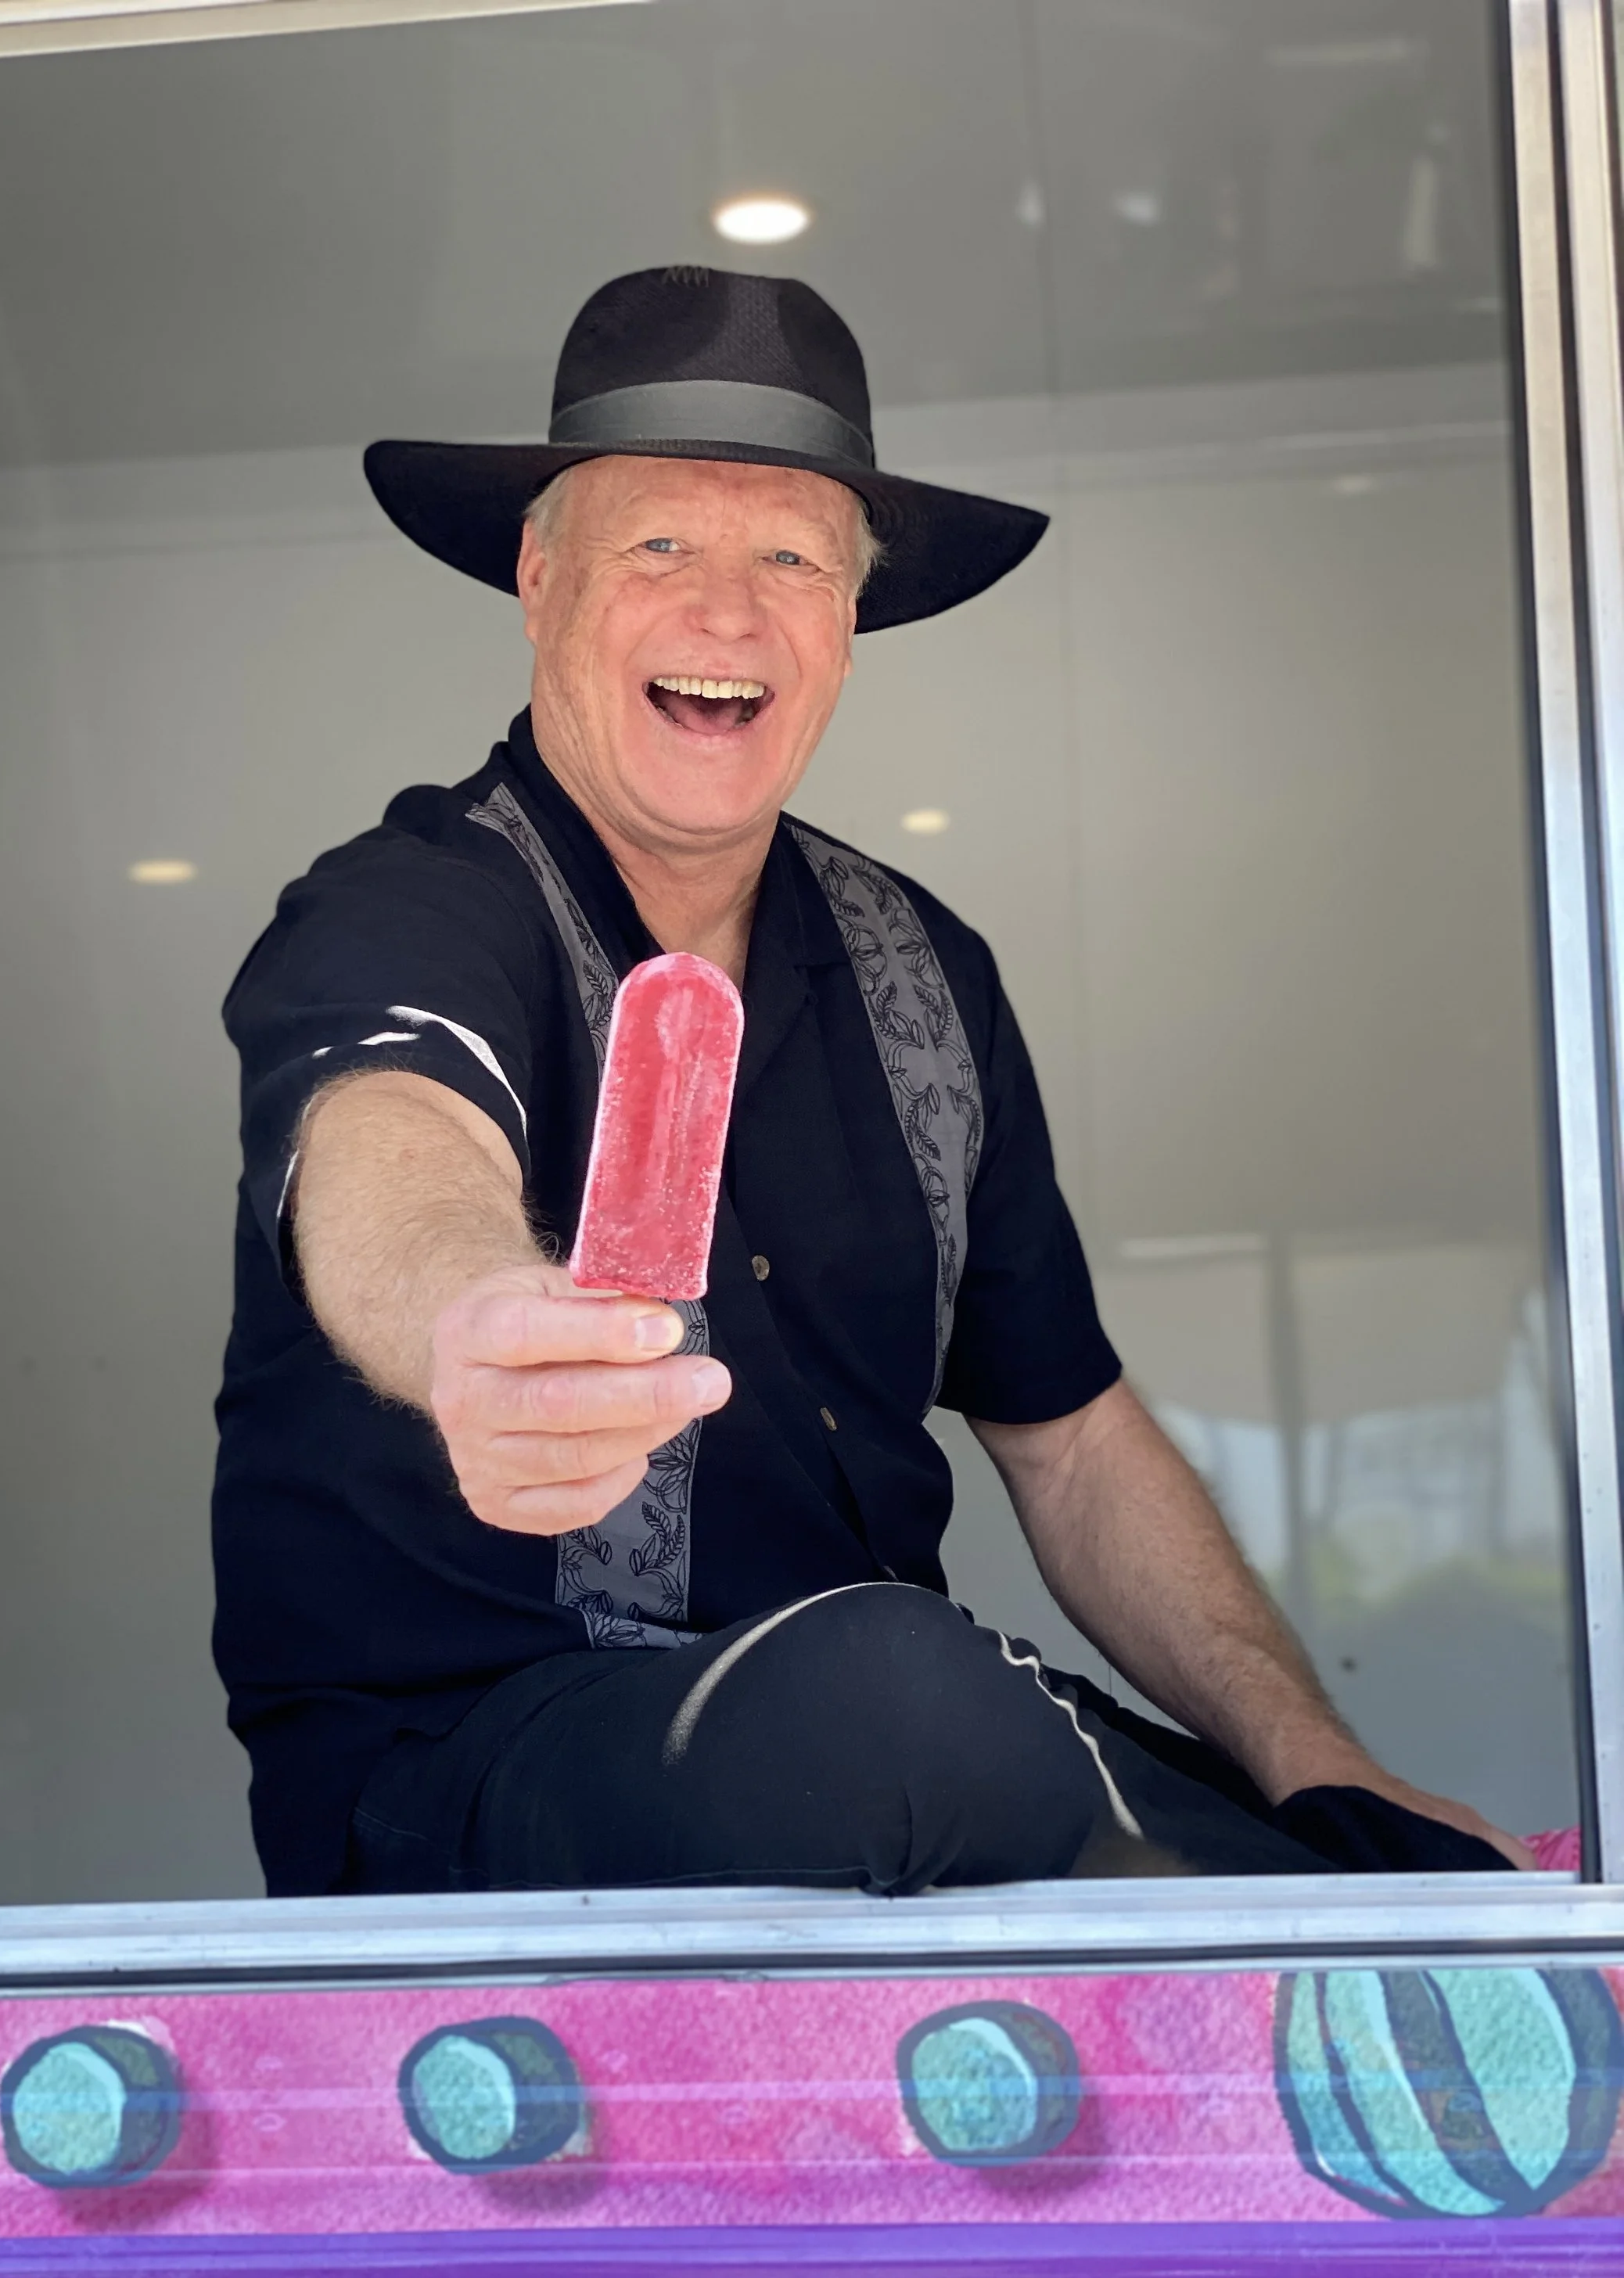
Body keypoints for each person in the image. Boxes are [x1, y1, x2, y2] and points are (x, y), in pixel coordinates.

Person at [213, 264, 1528, 1899]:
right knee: (897, 1704)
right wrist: (471, 1325)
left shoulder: (925, 966)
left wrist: (1305, 1753)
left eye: (790, 559)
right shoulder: (408, 903)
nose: (728, 614)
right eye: (660, 547)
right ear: (538, 578)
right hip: (475, 1770)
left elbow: (1067, 1437)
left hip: (891, 1748)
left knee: (1322, 1838)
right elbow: (388, 1138)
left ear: (847, 627)